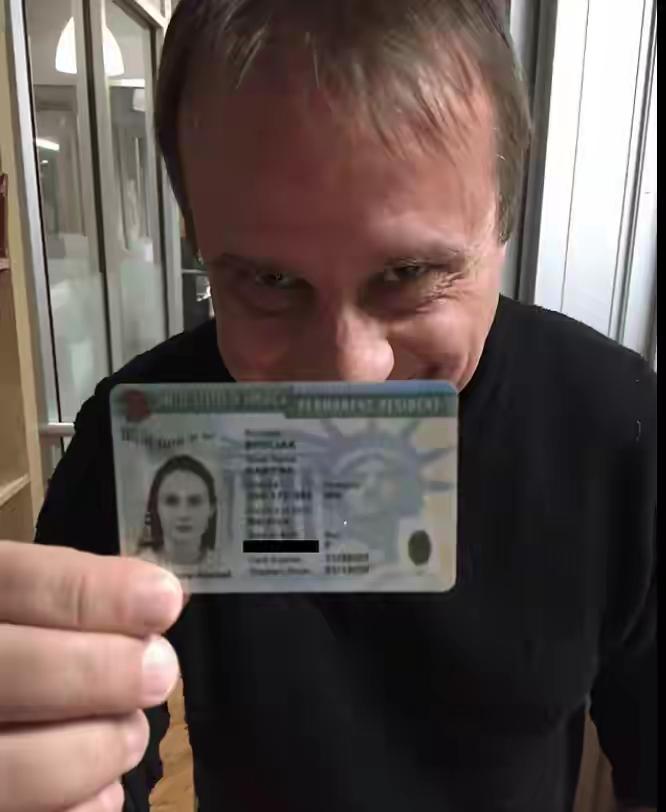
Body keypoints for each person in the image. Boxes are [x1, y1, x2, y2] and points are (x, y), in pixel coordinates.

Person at [0, 1, 656, 811]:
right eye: (270, 282)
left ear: (504, 223)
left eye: (410, 275)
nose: (349, 375)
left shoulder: (619, 432)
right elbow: (89, 753)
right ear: (196, 235)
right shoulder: (137, 437)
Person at [139, 455, 218, 569]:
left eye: (194, 501)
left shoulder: (230, 569)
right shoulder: (137, 569)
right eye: (171, 501)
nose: (183, 514)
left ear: (211, 509)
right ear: (156, 507)